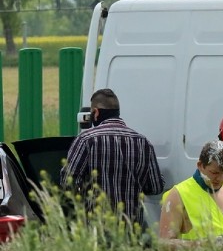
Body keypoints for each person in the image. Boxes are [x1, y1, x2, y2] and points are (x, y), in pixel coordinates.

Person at [61, 88, 164, 234]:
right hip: (131, 229)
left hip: (96, 229)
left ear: (95, 112)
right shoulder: (142, 142)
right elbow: (155, 187)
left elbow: (68, 182)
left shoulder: (86, 140)